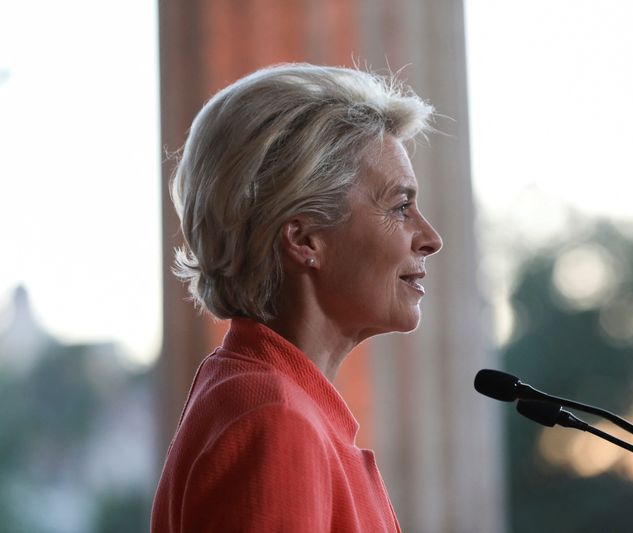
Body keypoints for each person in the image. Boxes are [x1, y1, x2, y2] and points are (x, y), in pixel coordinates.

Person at [151, 64, 443, 532]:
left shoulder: (257, 393)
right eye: (400, 207)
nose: (430, 238)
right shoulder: (275, 419)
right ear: (304, 239)